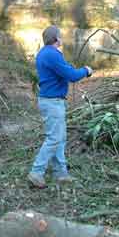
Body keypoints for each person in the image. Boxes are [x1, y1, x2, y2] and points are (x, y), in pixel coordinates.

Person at [28, 26, 93, 188]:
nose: (62, 39)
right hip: (52, 102)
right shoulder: (52, 54)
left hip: (52, 101)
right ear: (56, 39)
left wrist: (69, 68)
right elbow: (71, 76)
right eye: (60, 36)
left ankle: (60, 173)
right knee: (55, 138)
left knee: (60, 137)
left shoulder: (44, 53)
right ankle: (36, 172)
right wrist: (86, 70)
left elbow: (63, 70)